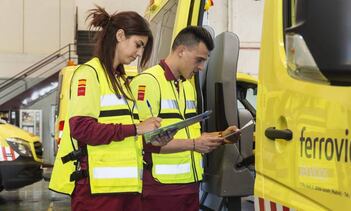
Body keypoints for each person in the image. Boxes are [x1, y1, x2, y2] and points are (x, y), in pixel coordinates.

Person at [49, 6, 171, 211]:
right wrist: (137, 128)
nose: (139, 53)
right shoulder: (89, 74)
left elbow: (122, 136)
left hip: (126, 191)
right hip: (97, 193)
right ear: (120, 35)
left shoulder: (121, 81)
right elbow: (82, 129)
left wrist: (151, 140)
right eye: (138, 45)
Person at [130, 26, 240, 211]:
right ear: (181, 51)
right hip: (160, 189)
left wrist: (221, 136)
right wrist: (194, 144)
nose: (201, 67)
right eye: (199, 60)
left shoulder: (187, 85)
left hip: (190, 187)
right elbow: (143, 141)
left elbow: (191, 134)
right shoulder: (148, 82)